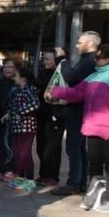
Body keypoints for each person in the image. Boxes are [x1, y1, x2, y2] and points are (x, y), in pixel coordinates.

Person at [48, 44, 109, 213]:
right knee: (94, 165)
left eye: (98, 57)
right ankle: (94, 195)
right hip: (92, 128)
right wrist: (57, 92)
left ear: (108, 59)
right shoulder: (92, 77)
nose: (95, 60)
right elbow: (77, 93)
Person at [50, 31, 100, 196]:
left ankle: (74, 183)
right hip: (80, 110)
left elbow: (70, 77)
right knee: (79, 148)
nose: (77, 45)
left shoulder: (89, 61)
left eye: (80, 42)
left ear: (90, 44)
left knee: (74, 148)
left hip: (77, 111)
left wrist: (62, 59)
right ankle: (81, 182)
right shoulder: (89, 60)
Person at [5, 66, 39, 182]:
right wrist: (9, 113)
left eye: (16, 76)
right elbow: (14, 107)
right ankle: (20, 178)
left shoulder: (29, 90)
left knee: (24, 153)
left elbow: (35, 104)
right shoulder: (18, 90)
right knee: (17, 153)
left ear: (23, 78)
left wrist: (20, 112)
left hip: (27, 128)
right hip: (16, 127)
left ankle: (29, 179)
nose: (14, 78)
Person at [35, 51, 63, 186]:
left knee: (52, 147)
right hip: (41, 114)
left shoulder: (61, 75)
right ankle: (43, 174)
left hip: (55, 114)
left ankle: (53, 175)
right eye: (44, 59)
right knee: (40, 146)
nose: (45, 62)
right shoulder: (41, 73)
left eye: (48, 59)